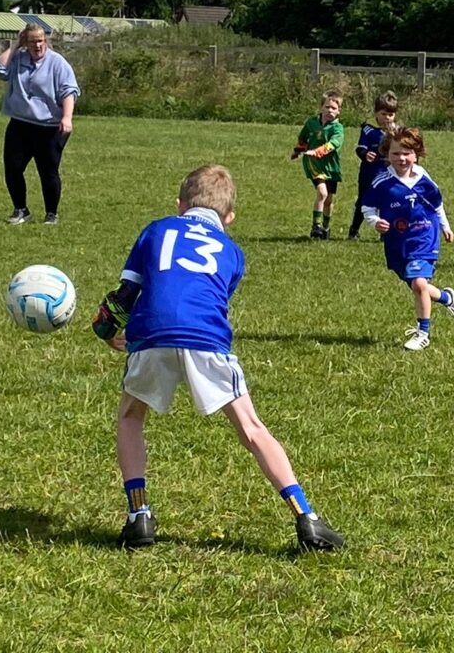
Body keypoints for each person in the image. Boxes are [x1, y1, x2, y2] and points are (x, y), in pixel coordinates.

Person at [91, 164, 345, 551]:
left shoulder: (157, 230)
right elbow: (209, 299)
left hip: (153, 333)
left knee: (130, 416)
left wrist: (105, 329)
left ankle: (138, 515)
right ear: (229, 218)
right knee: (251, 428)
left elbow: (126, 295)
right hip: (206, 336)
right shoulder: (233, 253)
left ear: (180, 204)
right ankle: (306, 517)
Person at [361, 126, 454, 350]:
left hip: (425, 236)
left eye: (407, 153)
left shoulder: (424, 179)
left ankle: (423, 333)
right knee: (417, 285)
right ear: (386, 154)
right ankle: (447, 298)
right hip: (398, 242)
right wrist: (375, 222)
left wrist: (445, 226)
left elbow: (437, 205)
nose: (401, 158)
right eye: (395, 153)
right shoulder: (382, 182)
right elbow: (367, 207)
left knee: (419, 283)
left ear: (416, 154)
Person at [0, 23, 80, 225]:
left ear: (45, 41)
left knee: (48, 171)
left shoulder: (57, 63)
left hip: (48, 127)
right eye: (32, 42)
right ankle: (21, 210)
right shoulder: (19, 59)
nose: (37, 45)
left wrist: (67, 117)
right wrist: (16, 45)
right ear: (26, 42)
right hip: (20, 124)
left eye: (40, 41)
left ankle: (51, 213)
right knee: (13, 168)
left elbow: (69, 91)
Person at [291, 90, 344, 239]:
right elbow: (303, 137)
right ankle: (316, 226)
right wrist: (298, 150)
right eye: (327, 107)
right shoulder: (312, 123)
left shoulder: (338, 128)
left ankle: (326, 228)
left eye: (333, 108)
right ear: (321, 107)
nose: (329, 111)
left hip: (331, 167)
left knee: (329, 200)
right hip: (314, 163)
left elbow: (334, 143)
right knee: (322, 193)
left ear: (339, 111)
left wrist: (319, 151)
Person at [348, 91, 398, 240]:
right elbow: (360, 148)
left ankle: (385, 232)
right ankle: (354, 229)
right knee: (363, 200)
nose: (387, 118)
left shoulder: (397, 132)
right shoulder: (369, 130)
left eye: (390, 114)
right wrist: (365, 154)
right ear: (376, 113)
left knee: (387, 201)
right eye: (383, 114)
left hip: (388, 173)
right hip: (368, 173)